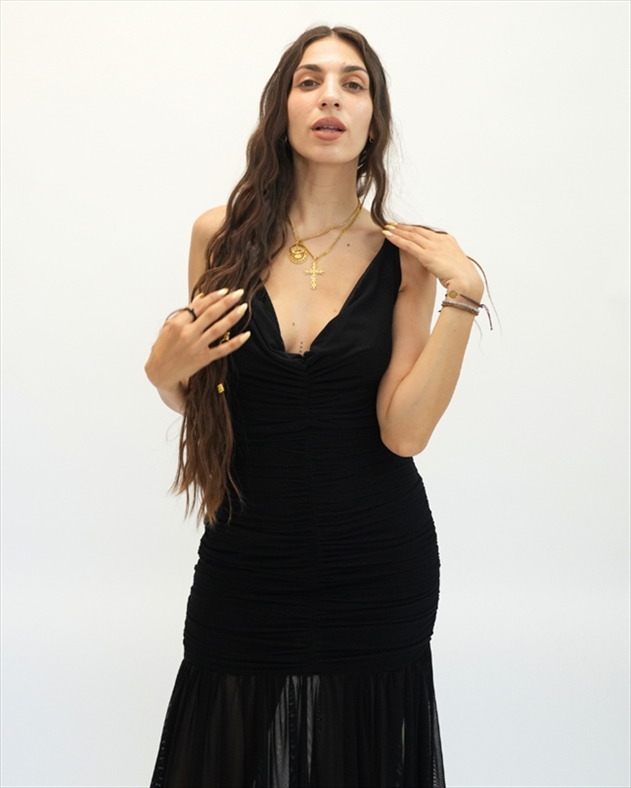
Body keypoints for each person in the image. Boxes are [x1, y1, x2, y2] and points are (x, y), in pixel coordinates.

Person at [145, 24, 486, 788]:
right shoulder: (218, 236)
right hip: (246, 555)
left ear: (373, 119)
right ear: (282, 108)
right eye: (309, 81)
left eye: (351, 83)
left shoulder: (406, 257)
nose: (330, 95)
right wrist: (162, 374)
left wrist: (463, 297)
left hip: (376, 560)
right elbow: (205, 399)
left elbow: (404, 433)